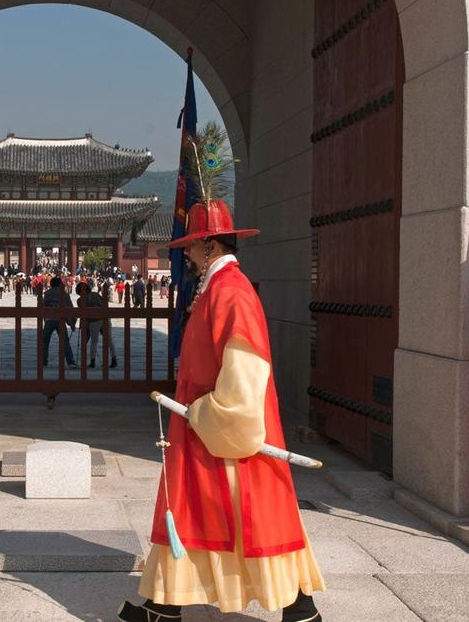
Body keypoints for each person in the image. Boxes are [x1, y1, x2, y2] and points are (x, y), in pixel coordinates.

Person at [120, 198, 324, 622]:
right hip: (200, 426)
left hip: (220, 427)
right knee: (194, 513)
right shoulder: (219, 288)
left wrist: (211, 414)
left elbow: (245, 371)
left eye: (193, 247)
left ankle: (299, 607)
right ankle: (164, 605)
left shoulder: (231, 292)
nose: (188, 256)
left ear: (210, 247)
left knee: (247, 518)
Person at [76, 282, 117, 369]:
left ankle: (93, 361)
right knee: (109, 339)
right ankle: (114, 359)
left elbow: (83, 314)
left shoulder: (80, 300)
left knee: (94, 341)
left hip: (94, 321)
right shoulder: (96, 294)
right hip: (105, 318)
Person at [41, 276, 77, 368]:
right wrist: (72, 323)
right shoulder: (64, 294)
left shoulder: (47, 293)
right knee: (65, 341)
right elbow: (70, 308)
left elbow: (44, 306)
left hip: (49, 319)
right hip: (60, 320)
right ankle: (70, 361)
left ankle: (43, 360)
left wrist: (44, 318)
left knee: (45, 341)